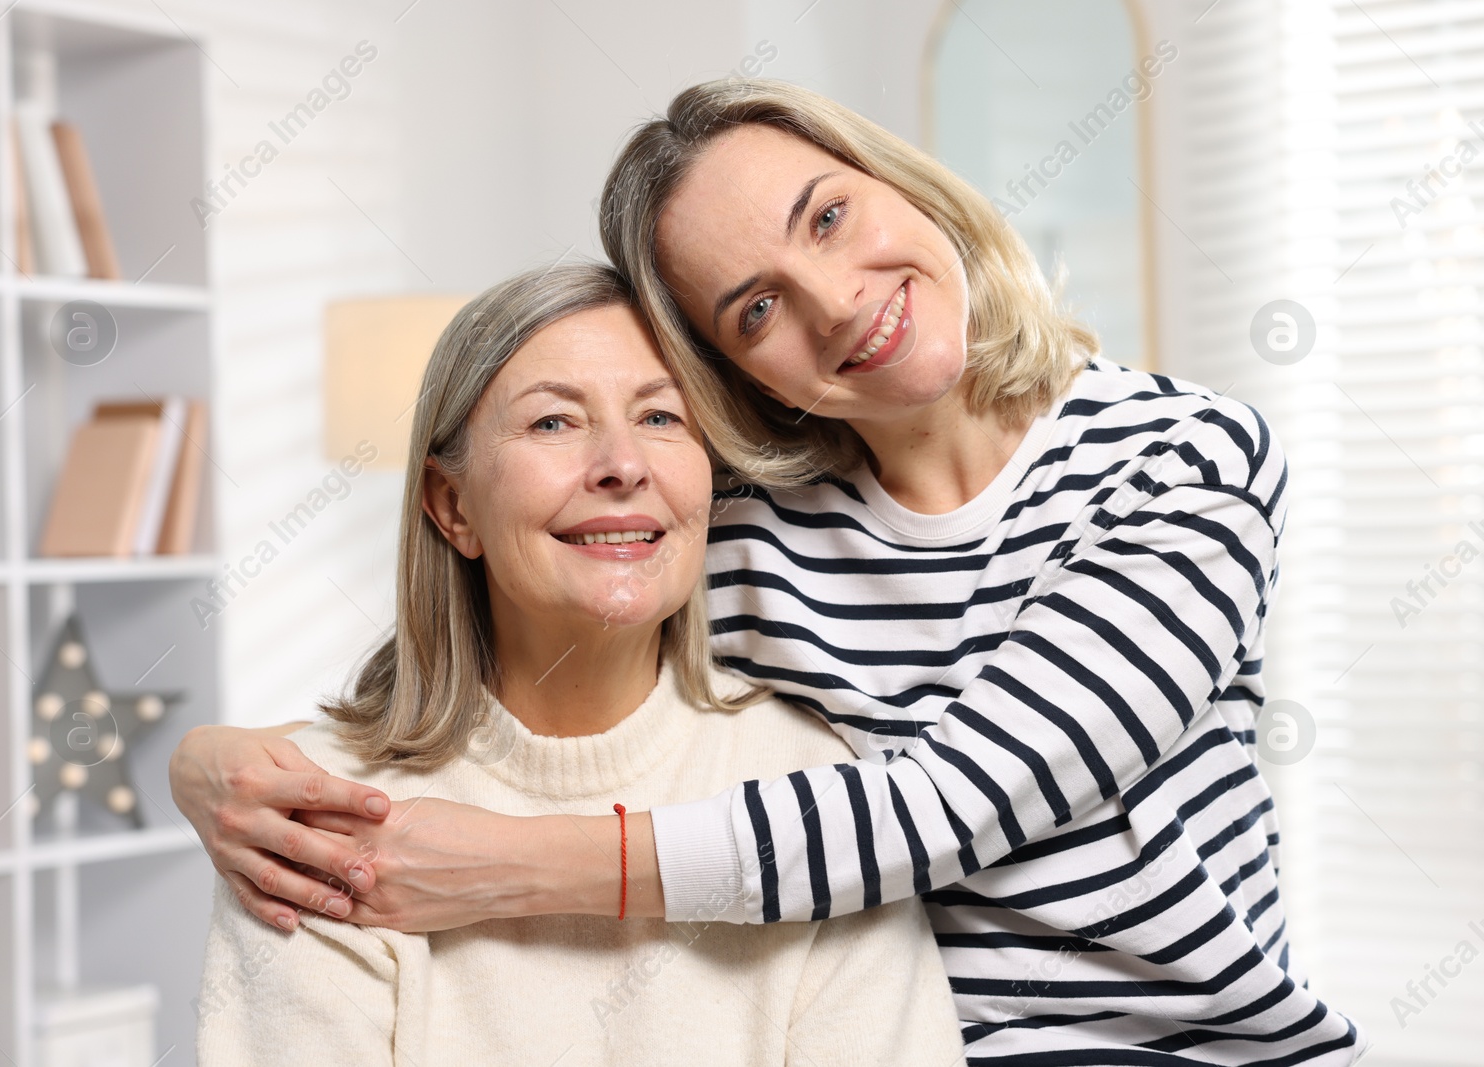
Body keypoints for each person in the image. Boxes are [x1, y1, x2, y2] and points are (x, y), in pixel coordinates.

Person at [174, 81, 1364, 1063]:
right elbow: (501, 624)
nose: (840, 301)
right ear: (739, 379)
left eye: (830, 217)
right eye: (755, 309)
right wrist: (209, 763)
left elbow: (942, 808)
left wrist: (500, 868)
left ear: (892, 175)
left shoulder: (1180, 459)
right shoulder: (745, 519)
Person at [193, 263, 964, 1066]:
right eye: (554, 423)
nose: (622, 464)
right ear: (453, 506)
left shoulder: (812, 785)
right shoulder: (312, 820)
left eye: (662, 416)